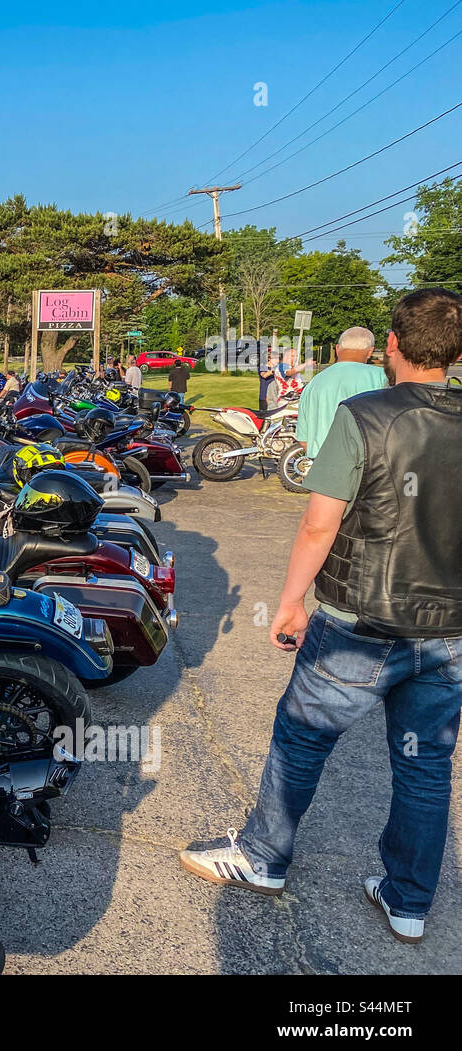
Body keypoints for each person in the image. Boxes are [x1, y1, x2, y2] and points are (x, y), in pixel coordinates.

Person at [179, 287, 462, 945]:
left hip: (359, 618)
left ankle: (263, 856)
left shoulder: (365, 416)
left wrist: (288, 601)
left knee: (303, 734)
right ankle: (409, 900)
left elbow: (319, 521)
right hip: (448, 628)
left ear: (392, 344)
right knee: (425, 764)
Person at [294, 328, 387, 458]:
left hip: (323, 462)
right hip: (365, 463)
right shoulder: (381, 377)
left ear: (337, 349)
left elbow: (303, 439)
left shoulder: (314, 383)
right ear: (370, 351)